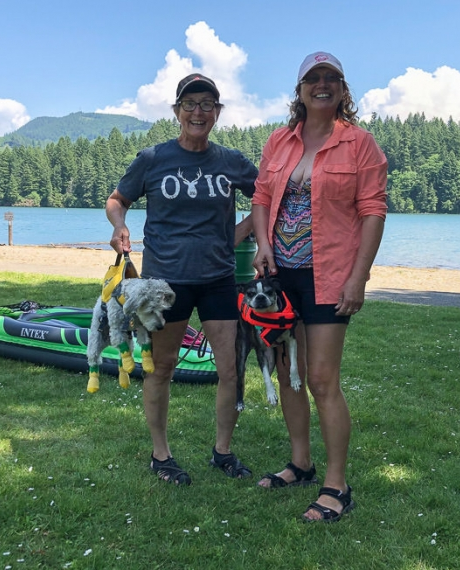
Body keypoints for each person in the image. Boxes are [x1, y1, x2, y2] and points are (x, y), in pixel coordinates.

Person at [250, 52, 388, 521]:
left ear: (343, 90)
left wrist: (358, 277)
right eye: (313, 78)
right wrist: (262, 245)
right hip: (280, 277)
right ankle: (300, 463)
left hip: (329, 277)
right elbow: (261, 197)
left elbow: (373, 212)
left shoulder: (360, 144)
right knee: (289, 369)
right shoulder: (280, 140)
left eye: (332, 78)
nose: (322, 85)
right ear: (300, 89)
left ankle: (337, 485)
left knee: (322, 379)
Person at [105, 73, 258, 485]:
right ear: (176, 111)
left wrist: (242, 232)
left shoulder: (230, 161)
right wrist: (120, 226)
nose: (198, 112)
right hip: (165, 283)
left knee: (230, 369)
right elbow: (118, 200)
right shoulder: (153, 158)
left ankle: (222, 451)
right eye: (190, 104)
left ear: (217, 112)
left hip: (219, 279)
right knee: (162, 368)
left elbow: (266, 195)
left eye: (207, 104)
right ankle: (161, 456)